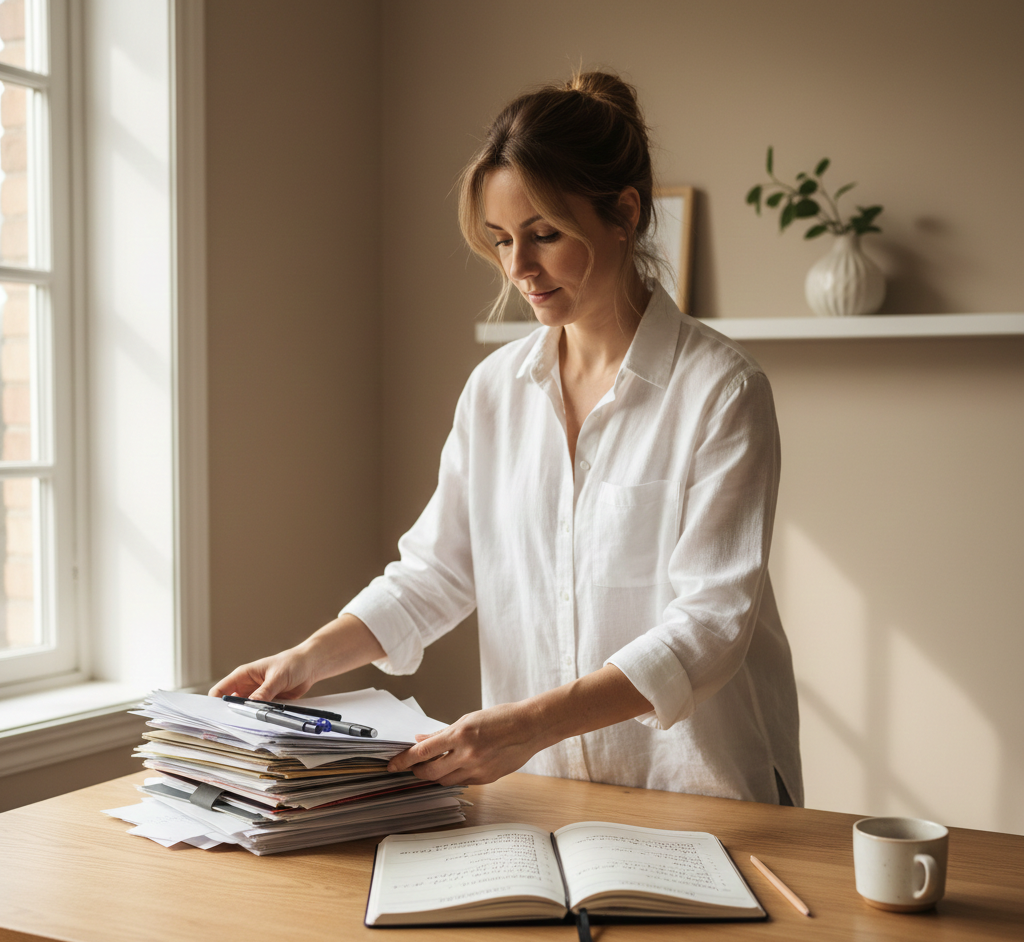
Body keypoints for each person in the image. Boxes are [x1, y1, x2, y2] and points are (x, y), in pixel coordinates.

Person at [211, 70, 802, 807]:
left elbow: (709, 626)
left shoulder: (722, 391)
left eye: (544, 236)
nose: (518, 268)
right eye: (500, 240)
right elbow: (436, 571)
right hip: (545, 799)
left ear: (624, 213)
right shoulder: (494, 392)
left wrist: (528, 724)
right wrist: (309, 659)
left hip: (702, 794)